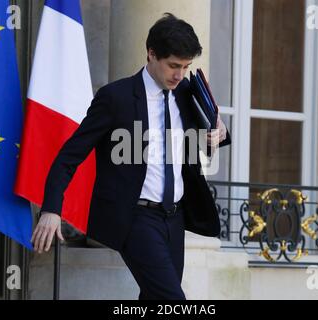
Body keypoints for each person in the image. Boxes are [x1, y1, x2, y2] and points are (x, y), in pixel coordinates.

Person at [31, 13, 231, 300]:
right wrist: (51, 208)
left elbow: (211, 134)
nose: (179, 74)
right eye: (173, 65)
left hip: (175, 219)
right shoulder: (116, 97)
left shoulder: (186, 91)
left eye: (186, 67)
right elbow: (69, 156)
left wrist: (218, 131)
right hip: (135, 217)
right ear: (151, 54)